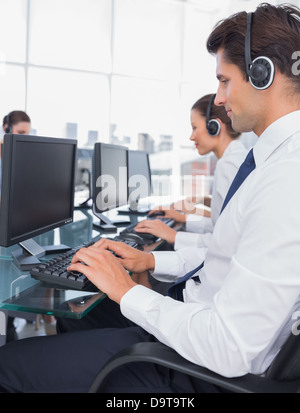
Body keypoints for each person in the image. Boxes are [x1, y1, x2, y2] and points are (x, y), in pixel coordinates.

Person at [0, 2, 300, 393]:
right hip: (196, 324)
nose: (220, 99)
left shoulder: (285, 179)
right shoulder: (273, 161)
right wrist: (151, 259)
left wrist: (129, 291)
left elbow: (228, 347)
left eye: (224, 80)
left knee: (8, 365)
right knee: (79, 313)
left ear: (263, 74)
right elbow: (227, 257)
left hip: (199, 370)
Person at [134, 93, 246, 254]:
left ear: (214, 126)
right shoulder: (235, 159)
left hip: (222, 267)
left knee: (144, 257)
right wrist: (183, 218)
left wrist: (172, 235)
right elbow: (220, 226)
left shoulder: (228, 165)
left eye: (194, 127)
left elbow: (225, 241)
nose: (191, 136)